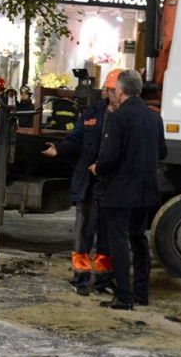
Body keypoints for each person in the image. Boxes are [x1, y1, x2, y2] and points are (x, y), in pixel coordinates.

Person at [91, 69, 167, 310]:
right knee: (138, 240)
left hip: (121, 191)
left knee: (119, 242)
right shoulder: (154, 117)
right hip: (147, 190)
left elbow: (111, 156)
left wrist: (98, 168)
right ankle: (141, 293)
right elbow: (162, 152)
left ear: (121, 91)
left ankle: (124, 295)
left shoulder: (118, 118)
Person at [42, 88, 112, 296]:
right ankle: (80, 278)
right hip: (88, 185)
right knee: (83, 235)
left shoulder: (123, 117)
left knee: (107, 237)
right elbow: (76, 139)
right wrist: (59, 149)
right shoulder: (92, 115)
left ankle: (103, 280)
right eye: (109, 89)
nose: (111, 93)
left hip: (110, 185)